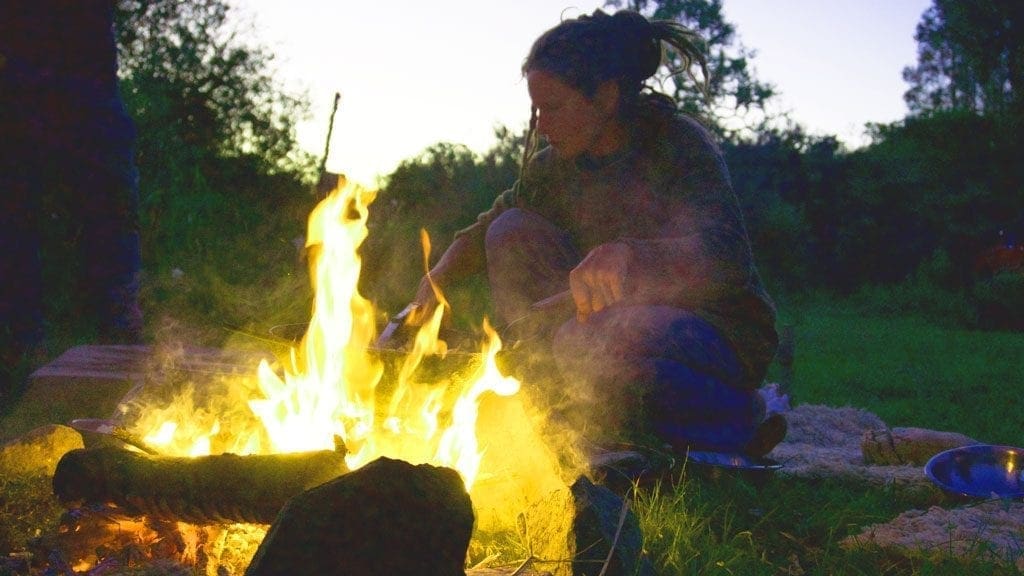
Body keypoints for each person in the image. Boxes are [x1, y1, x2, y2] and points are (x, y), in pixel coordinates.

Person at [404, 9, 783, 459]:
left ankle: (740, 416)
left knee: (592, 348)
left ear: (605, 97)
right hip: (602, 328)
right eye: (537, 109)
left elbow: (727, 258)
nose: (543, 125)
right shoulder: (557, 166)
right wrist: (437, 280)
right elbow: (490, 223)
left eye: (555, 108)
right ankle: (554, 405)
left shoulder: (678, 145)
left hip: (715, 333)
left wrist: (627, 257)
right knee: (511, 231)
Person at [0, 1, 143, 380]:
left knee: (112, 208)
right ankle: (23, 351)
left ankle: (118, 342)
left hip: (89, 78)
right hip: (18, 80)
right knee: (14, 218)